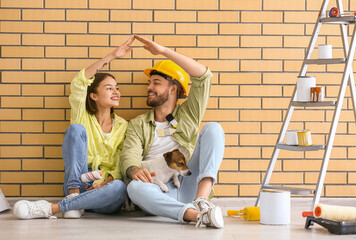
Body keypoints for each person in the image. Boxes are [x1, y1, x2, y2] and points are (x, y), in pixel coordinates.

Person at [13, 36, 135, 219]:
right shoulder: (82, 115)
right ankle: (74, 196)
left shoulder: (124, 126)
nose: (116, 92)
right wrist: (112, 56)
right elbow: (79, 82)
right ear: (93, 96)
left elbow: (120, 166)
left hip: (104, 191)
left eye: (117, 88)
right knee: (75, 129)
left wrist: (105, 182)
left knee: (119, 187)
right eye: (109, 88)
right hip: (79, 183)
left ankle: (56, 208)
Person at [121, 35, 225, 228]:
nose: (149, 87)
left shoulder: (189, 114)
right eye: (149, 83)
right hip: (157, 189)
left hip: (187, 184)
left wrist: (163, 52)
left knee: (214, 129)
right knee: (134, 187)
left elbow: (204, 77)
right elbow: (129, 155)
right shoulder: (138, 124)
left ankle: (201, 201)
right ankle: (196, 216)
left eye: (156, 82)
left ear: (173, 89)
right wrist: (134, 169)